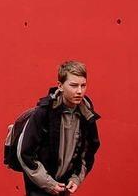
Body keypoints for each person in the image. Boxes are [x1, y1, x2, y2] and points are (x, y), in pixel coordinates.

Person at [18, 61, 101, 196]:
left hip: (64, 187)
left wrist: (76, 178)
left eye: (83, 85)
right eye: (74, 85)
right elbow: (25, 153)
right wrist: (49, 184)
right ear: (60, 86)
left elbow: (88, 152)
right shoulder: (43, 113)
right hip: (39, 187)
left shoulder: (87, 115)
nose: (79, 91)